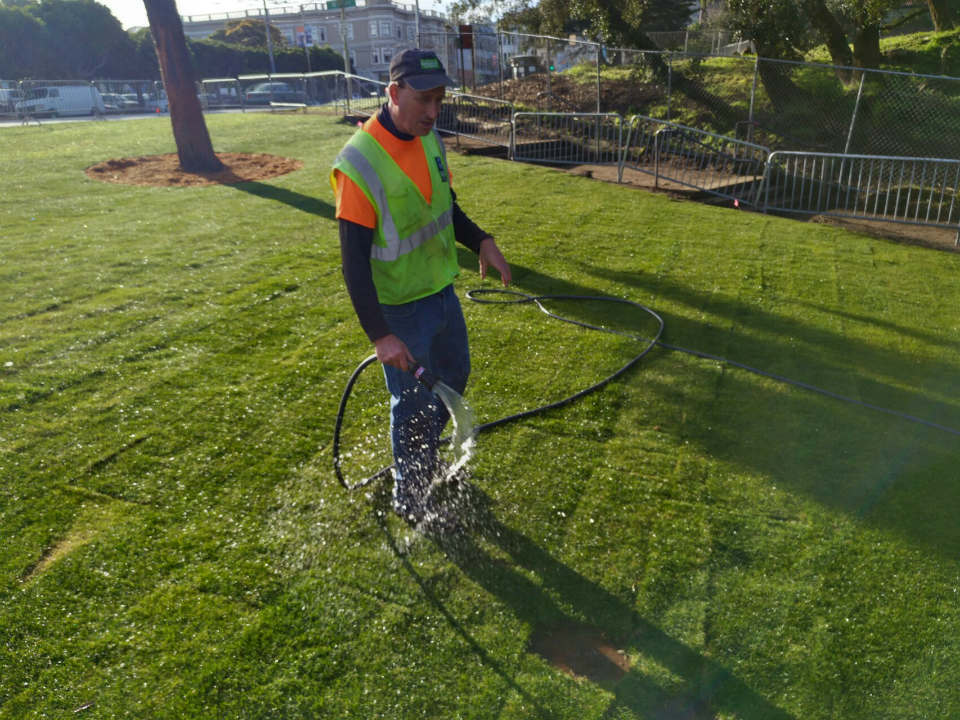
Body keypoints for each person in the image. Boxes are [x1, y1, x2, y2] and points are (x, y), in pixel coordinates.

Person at [330, 48, 511, 527]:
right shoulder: (359, 163)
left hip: (442, 293)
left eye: (440, 100)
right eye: (424, 100)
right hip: (401, 312)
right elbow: (353, 263)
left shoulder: (429, 139)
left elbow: (445, 205)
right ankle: (411, 497)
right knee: (412, 407)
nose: (434, 112)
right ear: (394, 92)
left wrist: (481, 240)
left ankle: (423, 461)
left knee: (454, 376)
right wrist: (380, 335)